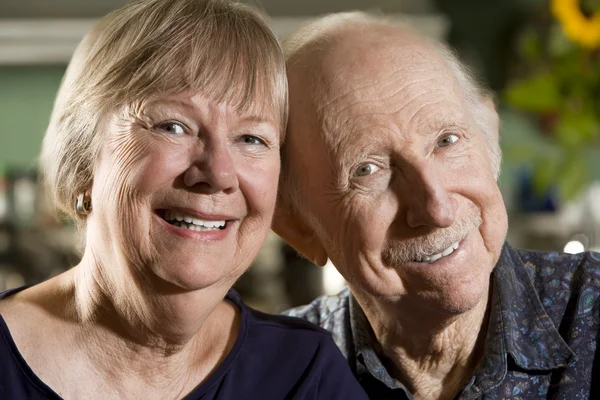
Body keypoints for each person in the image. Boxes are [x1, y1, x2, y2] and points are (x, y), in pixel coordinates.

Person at [0, 1, 368, 399]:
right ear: (82, 160)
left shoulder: (303, 374)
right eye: (173, 126)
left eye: (251, 138)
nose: (219, 174)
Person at [275, 12, 600, 400]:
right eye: (368, 169)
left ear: (490, 139)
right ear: (296, 226)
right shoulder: (274, 372)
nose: (437, 209)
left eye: (446, 141)